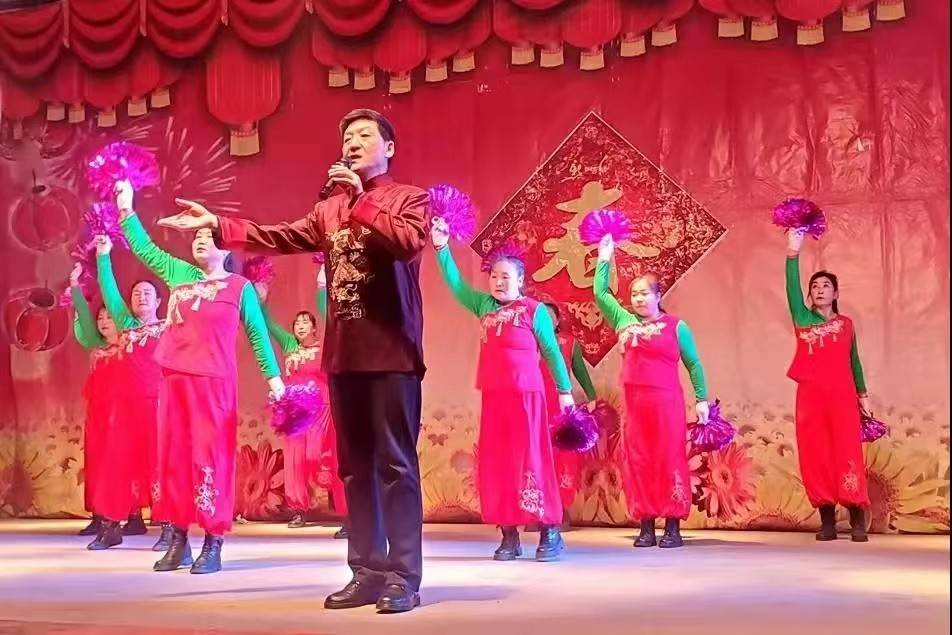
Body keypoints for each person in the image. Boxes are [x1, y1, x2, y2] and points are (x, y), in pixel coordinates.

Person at [156, 109, 428, 612]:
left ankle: (403, 577)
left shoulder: (409, 199)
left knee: (396, 465)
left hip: (392, 353)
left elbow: (408, 243)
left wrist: (363, 198)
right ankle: (367, 572)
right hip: (344, 357)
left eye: (364, 135)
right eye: (347, 136)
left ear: (389, 148)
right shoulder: (329, 210)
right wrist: (218, 225)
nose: (352, 142)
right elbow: (279, 236)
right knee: (355, 470)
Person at [115, 180, 284, 574]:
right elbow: (145, 249)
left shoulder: (239, 288)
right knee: (172, 457)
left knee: (210, 457)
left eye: (210, 235)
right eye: (198, 236)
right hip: (173, 380)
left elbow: (258, 336)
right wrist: (126, 210)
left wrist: (275, 380)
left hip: (213, 385)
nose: (202, 240)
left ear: (227, 246)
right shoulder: (179, 274)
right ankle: (177, 538)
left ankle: (212, 540)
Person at [430, 220, 575, 561]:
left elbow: (551, 352)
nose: (498, 281)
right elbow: (456, 285)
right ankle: (509, 534)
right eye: (494, 276)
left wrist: (565, 391)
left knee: (533, 458)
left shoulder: (535, 311)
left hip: (528, 396)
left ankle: (549, 531)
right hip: (495, 397)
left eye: (505, 276)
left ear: (521, 280)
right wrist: (441, 248)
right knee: (499, 462)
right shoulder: (484, 306)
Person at [594, 235, 710, 549]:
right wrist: (604, 257)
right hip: (634, 406)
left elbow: (694, 363)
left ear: (658, 295)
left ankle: (672, 524)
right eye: (634, 294)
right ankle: (646, 524)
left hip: (666, 403)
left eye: (645, 293)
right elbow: (600, 293)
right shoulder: (623, 320)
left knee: (668, 457)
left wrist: (701, 399)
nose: (638, 299)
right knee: (639, 460)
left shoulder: (676, 326)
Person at [785, 229, 871, 542]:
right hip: (810, 398)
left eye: (826, 286)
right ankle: (827, 521)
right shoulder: (802, 319)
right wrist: (793, 253)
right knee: (816, 453)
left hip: (843, 397)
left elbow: (854, 361)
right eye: (815, 286)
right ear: (809, 296)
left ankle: (857, 517)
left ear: (835, 293)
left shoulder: (846, 324)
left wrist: (863, 395)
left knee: (847, 450)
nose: (820, 290)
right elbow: (791, 288)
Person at [91, 235, 170, 551]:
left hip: (157, 406)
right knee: (116, 464)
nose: (141, 297)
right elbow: (109, 290)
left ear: (159, 301)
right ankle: (111, 526)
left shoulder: (169, 327)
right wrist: (103, 256)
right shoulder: (124, 324)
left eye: (148, 293)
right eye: (136, 293)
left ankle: (170, 529)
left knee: (159, 465)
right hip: (124, 407)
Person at [258, 264, 349, 536]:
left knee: (317, 457)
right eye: (297, 323)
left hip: (322, 409)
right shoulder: (289, 345)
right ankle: (299, 508)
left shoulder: (325, 346)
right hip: (294, 412)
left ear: (314, 328)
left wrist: (322, 285)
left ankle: (341, 504)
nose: (300, 326)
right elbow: (269, 325)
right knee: (295, 461)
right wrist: (262, 302)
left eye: (305, 322)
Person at [69, 264, 120, 542]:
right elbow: (84, 320)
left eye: (109, 316)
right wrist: (75, 287)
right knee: (97, 463)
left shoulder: (130, 343)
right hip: (98, 413)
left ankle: (129, 515)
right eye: (100, 317)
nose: (103, 321)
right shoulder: (96, 345)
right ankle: (99, 515)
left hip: (122, 413)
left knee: (118, 465)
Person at [541, 302, 597, 524]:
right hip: (535, 405)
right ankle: (537, 509)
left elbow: (580, 371)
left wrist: (592, 396)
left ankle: (560, 509)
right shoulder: (529, 341)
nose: (546, 320)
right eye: (541, 316)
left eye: (550, 316)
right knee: (537, 454)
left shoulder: (569, 343)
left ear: (557, 321)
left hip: (561, 406)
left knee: (563, 456)